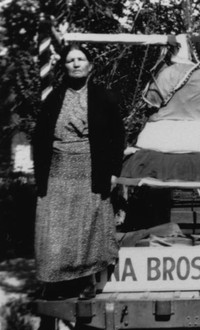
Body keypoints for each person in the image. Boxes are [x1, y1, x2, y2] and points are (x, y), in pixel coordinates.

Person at [33, 44, 125, 300]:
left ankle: (87, 281)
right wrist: (40, 175)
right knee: (56, 228)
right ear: (63, 67)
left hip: (90, 168)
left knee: (88, 226)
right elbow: (39, 137)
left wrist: (114, 172)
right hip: (58, 170)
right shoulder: (53, 97)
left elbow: (117, 138)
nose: (75, 63)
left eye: (80, 59)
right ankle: (55, 282)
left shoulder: (104, 97)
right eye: (70, 60)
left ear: (90, 65)